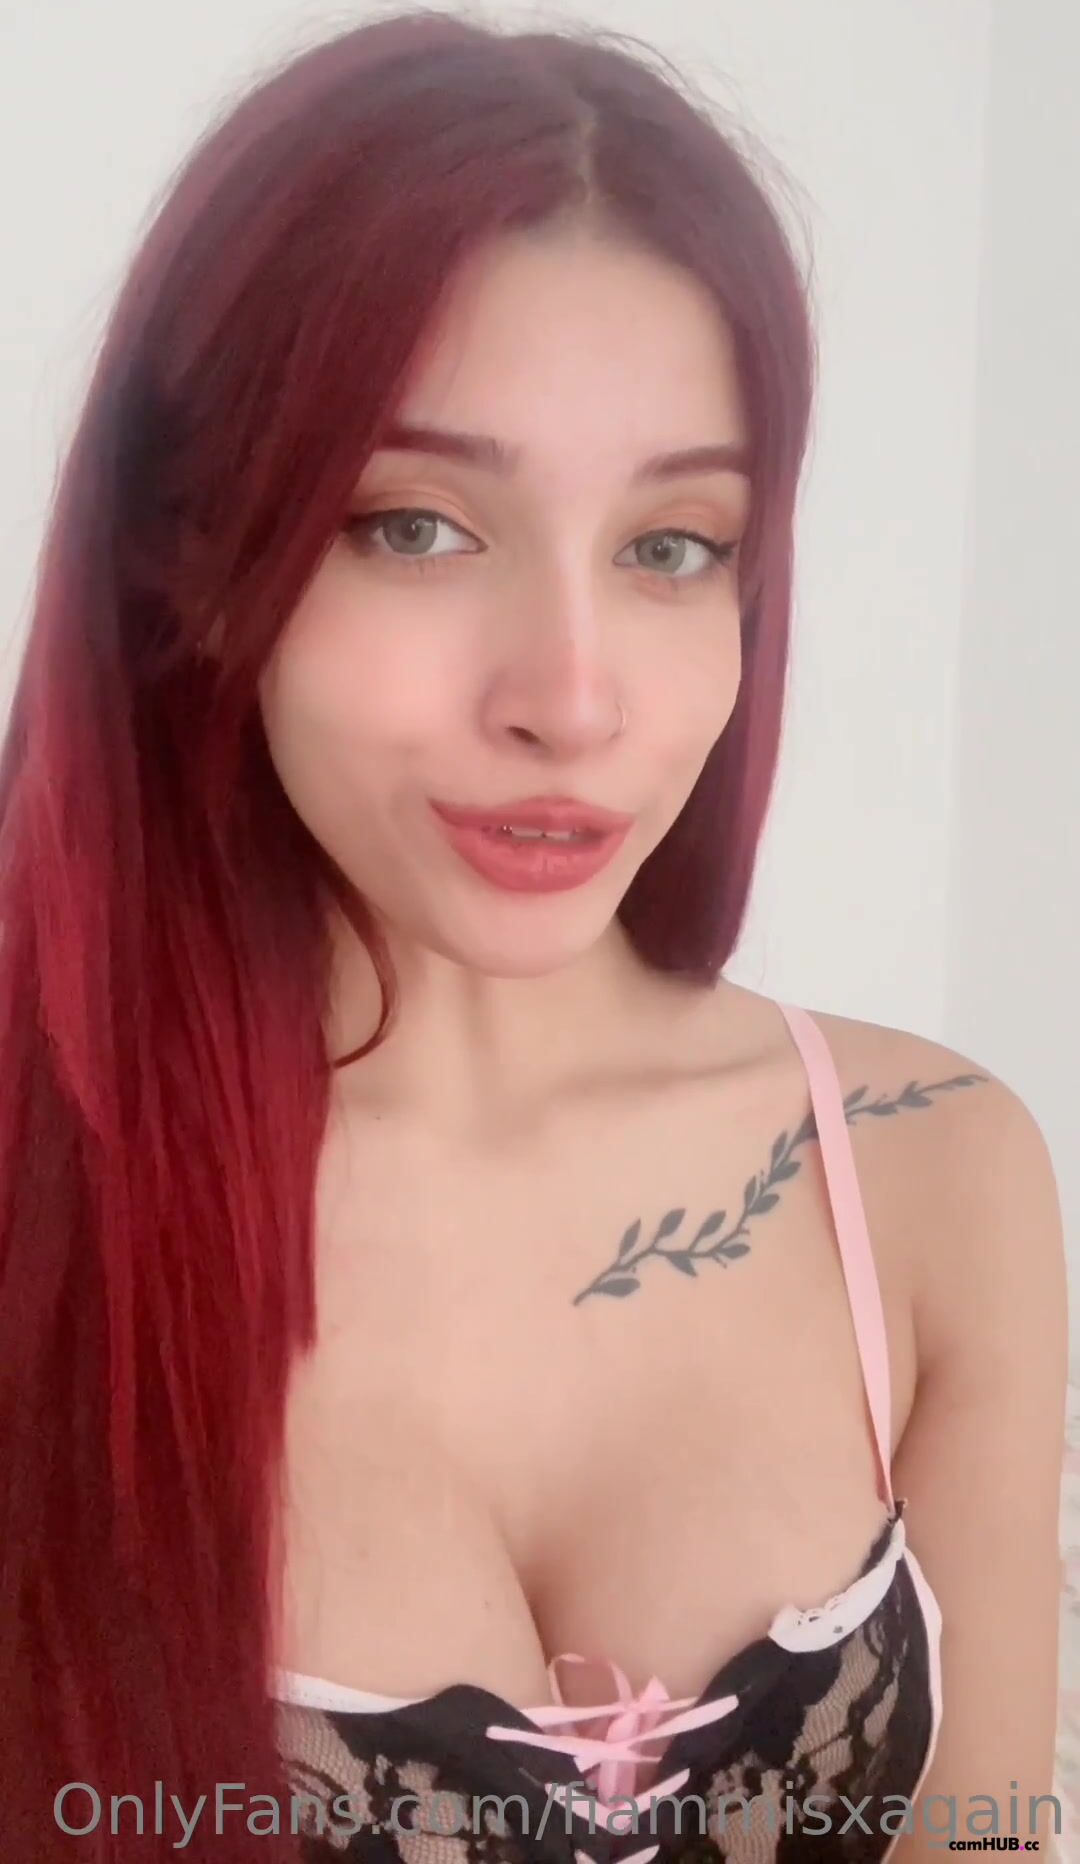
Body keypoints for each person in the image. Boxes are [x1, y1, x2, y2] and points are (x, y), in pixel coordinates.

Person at [0, 10, 1067, 1863]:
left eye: (672, 545)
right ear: (195, 560)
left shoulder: (928, 1172)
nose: (571, 702)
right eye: (416, 526)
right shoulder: (42, 1190)